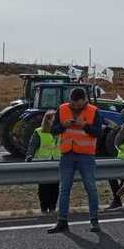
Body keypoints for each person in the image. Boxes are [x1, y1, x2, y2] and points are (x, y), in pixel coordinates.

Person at [47, 87, 103, 234]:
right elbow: (53, 130)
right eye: (73, 104)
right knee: (64, 188)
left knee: (91, 188)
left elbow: (99, 133)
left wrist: (85, 126)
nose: (75, 107)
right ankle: (62, 221)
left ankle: (94, 221)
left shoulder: (93, 111)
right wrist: (62, 126)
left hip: (86, 155)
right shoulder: (62, 109)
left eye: (78, 104)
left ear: (84, 100)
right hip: (67, 154)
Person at [25, 110, 60, 214]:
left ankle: (53, 207)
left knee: (55, 187)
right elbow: (32, 146)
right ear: (48, 120)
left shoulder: (60, 131)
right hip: (43, 162)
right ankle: (44, 208)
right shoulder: (39, 132)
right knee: (44, 188)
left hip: (57, 162)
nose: (56, 120)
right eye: (54, 118)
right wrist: (29, 156)